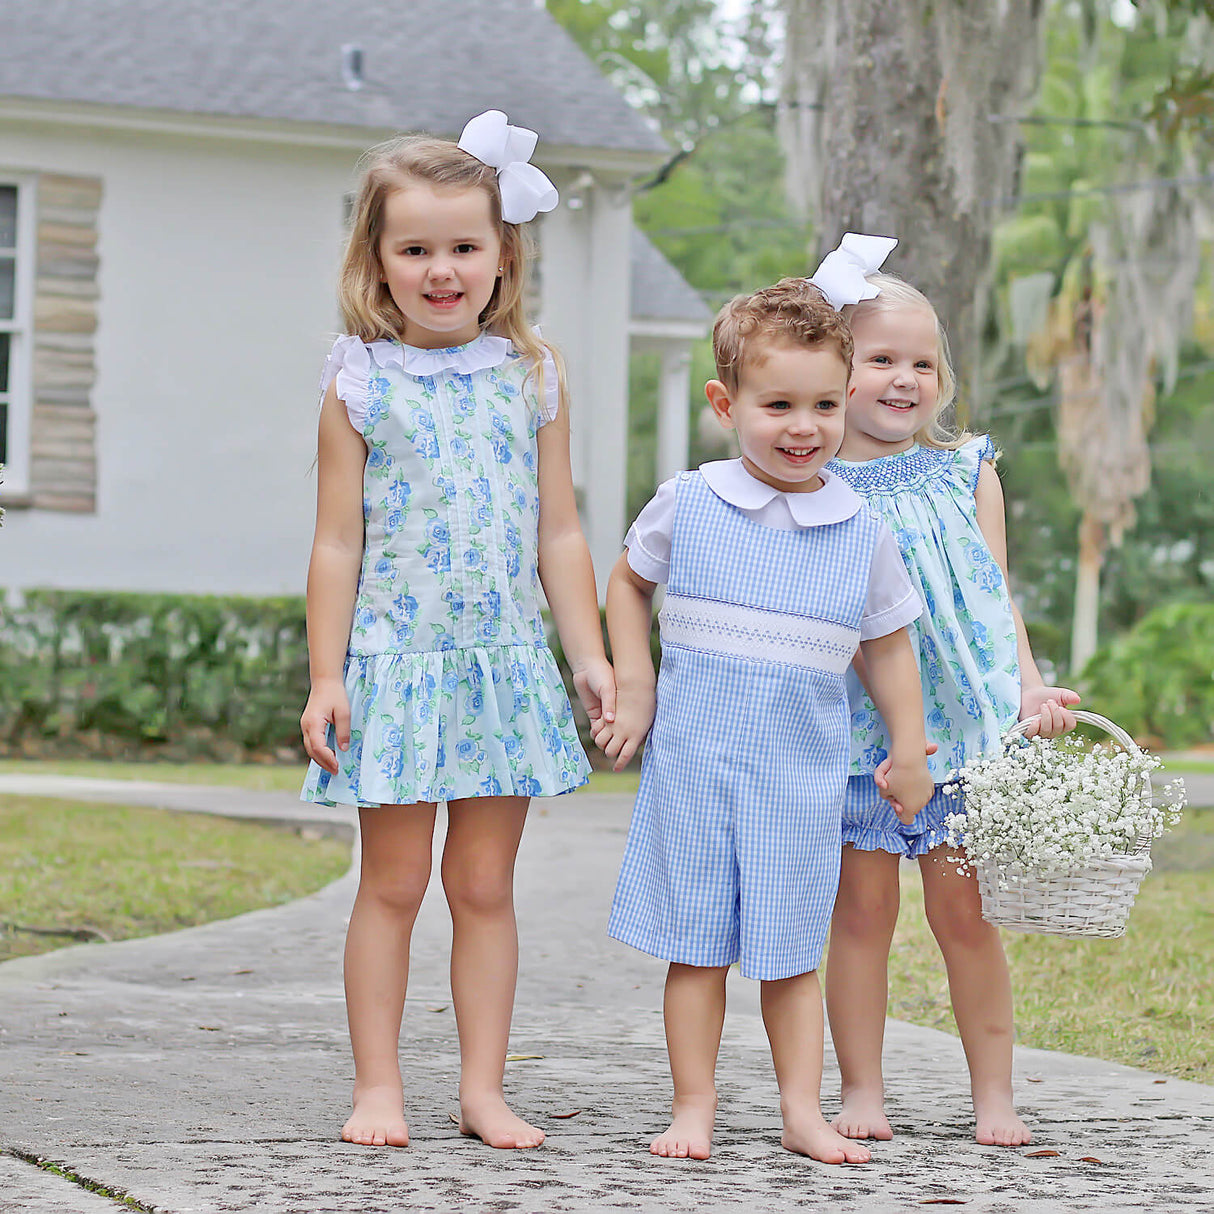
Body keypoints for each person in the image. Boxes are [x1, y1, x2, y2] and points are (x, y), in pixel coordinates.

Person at [299, 110, 614, 1151]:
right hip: (394, 665)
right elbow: (336, 541)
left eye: (463, 247)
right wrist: (326, 674)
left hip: (500, 667)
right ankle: (377, 1085)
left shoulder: (533, 374)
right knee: (389, 884)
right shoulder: (358, 380)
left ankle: (483, 1087)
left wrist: (588, 657)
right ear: (377, 260)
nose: (442, 269)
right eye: (416, 248)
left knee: (482, 885)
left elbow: (558, 531)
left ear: (501, 256)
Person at [594, 277, 934, 1164]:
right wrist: (637, 683)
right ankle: (694, 1107)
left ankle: (801, 1112)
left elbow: (889, 648)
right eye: (778, 403)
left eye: (824, 404)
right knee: (697, 949)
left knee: (789, 954)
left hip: (800, 776)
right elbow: (627, 584)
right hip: (696, 766)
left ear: (847, 399)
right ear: (726, 403)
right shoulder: (692, 501)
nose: (803, 426)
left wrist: (907, 750)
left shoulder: (861, 526)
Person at [819, 252, 1080, 1149]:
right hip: (856, 732)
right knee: (861, 913)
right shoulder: (813, 481)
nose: (904, 379)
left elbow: (993, 591)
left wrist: (1031, 686)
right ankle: (860, 1087)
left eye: (922, 363)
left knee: (962, 913)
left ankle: (994, 1094)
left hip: (959, 730)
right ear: (831, 368)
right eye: (879, 358)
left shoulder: (967, 470)